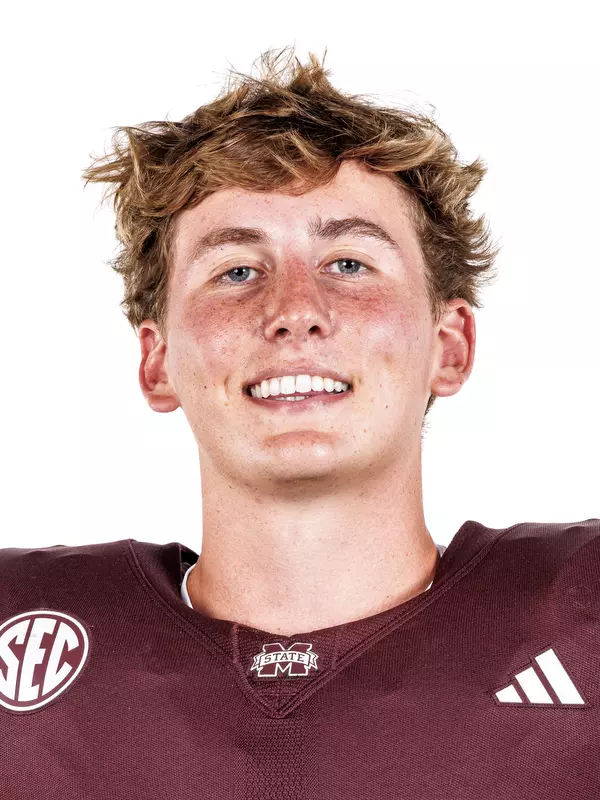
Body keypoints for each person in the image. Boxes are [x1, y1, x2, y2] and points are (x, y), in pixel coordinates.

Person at [0, 46, 598, 799]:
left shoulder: (583, 614)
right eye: (236, 271)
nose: (294, 314)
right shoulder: (26, 643)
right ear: (157, 363)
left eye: (348, 263)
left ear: (450, 347)